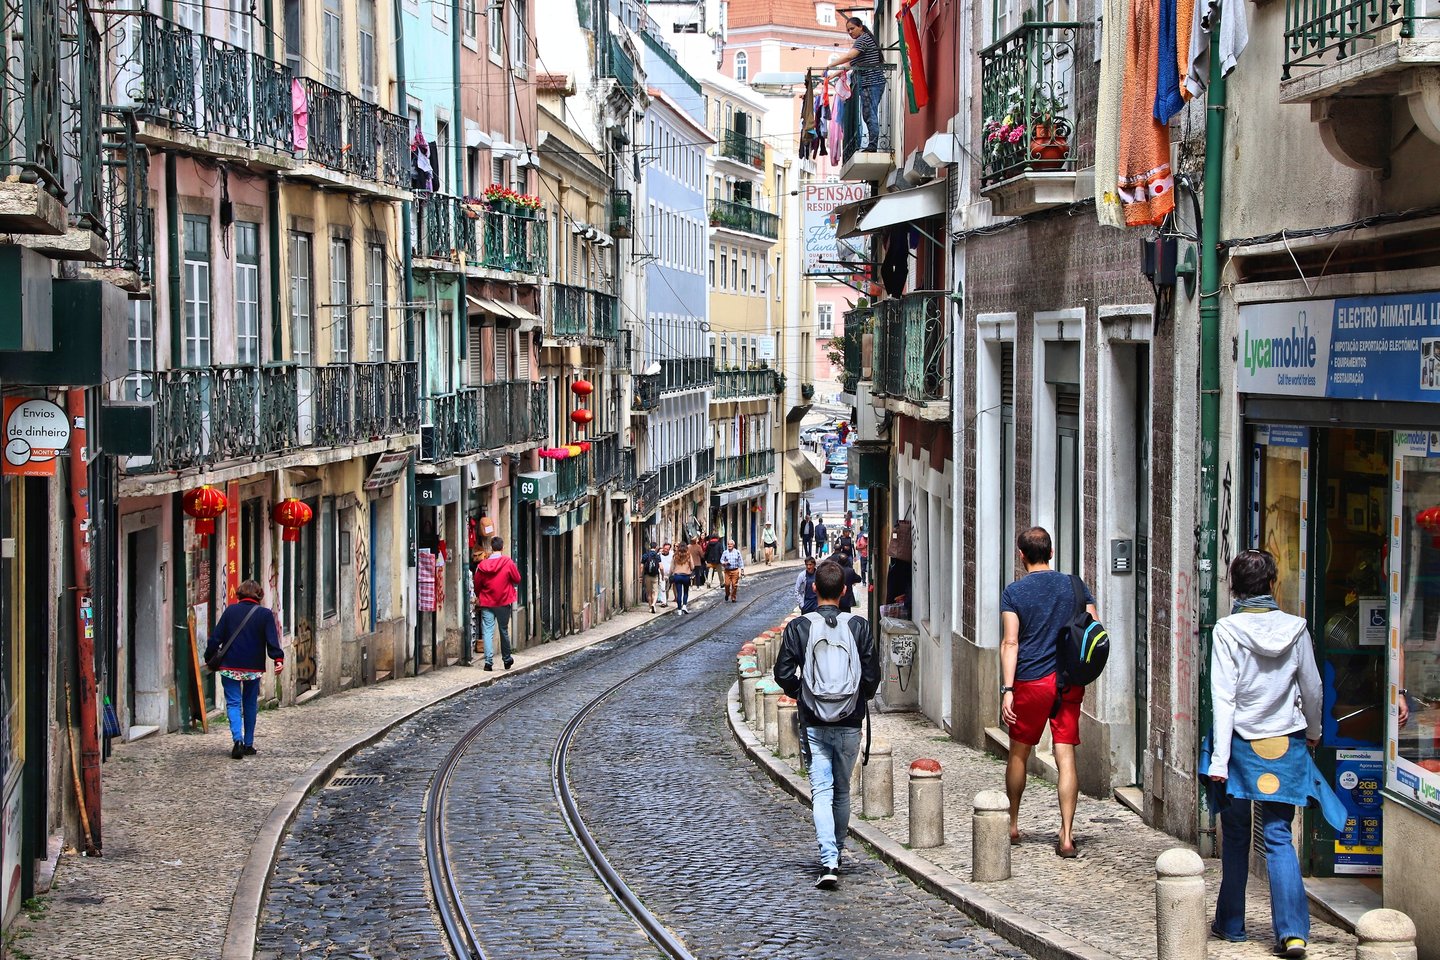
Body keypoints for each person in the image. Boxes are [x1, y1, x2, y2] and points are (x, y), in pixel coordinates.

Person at [1208, 549, 1344, 959]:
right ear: (1271, 584)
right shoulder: (1297, 629)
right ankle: (1293, 934)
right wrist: (1315, 733)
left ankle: (1231, 925)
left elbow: (1223, 698)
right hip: (1284, 744)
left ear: (1234, 587)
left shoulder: (1227, 631)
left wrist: (1218, 759)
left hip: (1237, 746)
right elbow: (1314, 688)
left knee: (1235, 837)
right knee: (1279, 837)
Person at [774, 560, 882, 889]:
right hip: (850, 721)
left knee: (821, 791)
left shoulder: (799, 627)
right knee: (843, 790)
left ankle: (828, 859)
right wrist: (856, 699)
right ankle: (837, 849)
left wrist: (803, 693)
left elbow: (782, 674)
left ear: (814, 588)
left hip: (814, 721)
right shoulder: (860, 627)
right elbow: (872, 677)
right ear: (845, 591)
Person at [999, 527, 1096, 858]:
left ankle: (1012, 824)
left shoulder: (1014, 593)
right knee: (1065, 756)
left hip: (1029, 682)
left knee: (1018, 754)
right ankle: (1067, 835)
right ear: (1051, 553)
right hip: (1067, 682)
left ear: (1021, 555)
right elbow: (1093, 627)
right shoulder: (1075, 586)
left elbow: (1010, 641)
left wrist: (1008, 689)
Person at [204, 580, 284, 760]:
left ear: (239, 593)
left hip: (230, 665)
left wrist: (209, 656)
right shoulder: (264, 615)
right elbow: (272, 639)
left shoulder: (230, 611)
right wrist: (278, 658)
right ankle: (248, 744)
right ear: (259, 595)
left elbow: (216, 638)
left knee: (233, 703)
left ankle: (237, 741)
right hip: (253, 667)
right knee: (250, 704)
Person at [826, 17, 887, 152]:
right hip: (870, 83)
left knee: (869, 114)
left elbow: (849, 56)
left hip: (872, 82)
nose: (850, 32)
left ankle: (872, 146)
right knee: (868, 114)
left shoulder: (863, 39)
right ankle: (872, 144)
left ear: (860, 26)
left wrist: (830, 64)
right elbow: (849, 64)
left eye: (852, 28)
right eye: (848, 30)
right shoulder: (864, 40)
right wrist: (831, 75)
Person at [474, 536, 521, 671]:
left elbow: (477, 584)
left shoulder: (482, 565)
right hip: (503, 601)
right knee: (503, 630)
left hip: (487, 602)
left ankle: (488, 662)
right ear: (502, 547)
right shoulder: (508, 562)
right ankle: (507, 659)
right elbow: (517, 579)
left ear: (491, 548)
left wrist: (479, 595)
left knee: (487, 631)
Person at [671, 537, 695, 614]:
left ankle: (679, 610)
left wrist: (672, 573)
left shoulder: (675, 556)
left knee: (679, 593)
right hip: (686, 576)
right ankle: (684, 605)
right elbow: (692, 566)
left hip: (677, 576)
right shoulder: (688, 555)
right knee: (685, 592)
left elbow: (672, 567)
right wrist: (690, 569)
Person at [641, 542, 662, 613]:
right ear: (656, 547)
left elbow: (641, 567)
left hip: (647, 576)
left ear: (650, 547)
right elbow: (661, 567)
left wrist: (641, 576)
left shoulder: (645, 555)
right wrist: (662, 575)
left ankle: (650, 607)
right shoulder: (657, 556)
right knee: (655, 592)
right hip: (655, 576)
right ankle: (654, 604)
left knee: (649, 592)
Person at [657, 542, 674, 607]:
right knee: (662, 588)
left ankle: (665, 600)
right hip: (661, 574)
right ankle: (663, 602)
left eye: (667, 548)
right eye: (665, 548)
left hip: (669, 574)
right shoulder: (659, 555)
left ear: (669, 549)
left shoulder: (672, 555)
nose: (665, 550)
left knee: (667, 588)